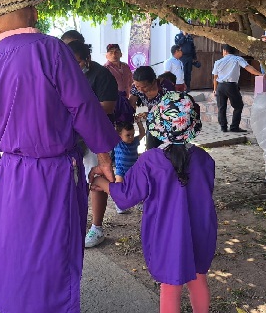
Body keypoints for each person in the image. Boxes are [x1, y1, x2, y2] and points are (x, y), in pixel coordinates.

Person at [0, 0, 120, 313]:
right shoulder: (52, 49)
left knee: (14, 249)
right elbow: (83, 106)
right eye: (31, 8)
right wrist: (105, 157)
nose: (37, 13)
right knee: (54, 251)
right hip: (53, 170)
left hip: (10, 170)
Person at [91, 91, 217, 313]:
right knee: (199, 280)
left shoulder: (151, 161)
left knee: (170, 286)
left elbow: (127, 196)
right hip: (201, 231)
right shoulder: (205, 159)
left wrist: (103, 184)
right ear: (191, 124)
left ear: (159, 124)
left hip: (167, 235)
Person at [67, 40, 120, 248]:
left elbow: (108, 106)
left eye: (77, 62)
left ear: (86, 59)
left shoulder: (101, 75)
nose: (73, 65)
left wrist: (80, 109)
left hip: (95, 137)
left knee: (96, 179)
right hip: (71, 138)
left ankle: (97, 227)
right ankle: (74, 224)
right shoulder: (64, 73)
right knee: (72, 181)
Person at [212, 44, 262, 133]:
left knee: (221, 107)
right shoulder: (237, 59)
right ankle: (234, 127)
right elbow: (248, 68)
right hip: (231, 86)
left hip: (220, 86)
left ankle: (223, 127)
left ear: (225, 51)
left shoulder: (218, 62)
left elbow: (215, 77)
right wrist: (260, 74)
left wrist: (215, 89)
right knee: (238, 106)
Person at [129, 65, 176, 150]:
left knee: (169, 151)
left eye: (144, 87)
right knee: (151, 150)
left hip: (169, 124)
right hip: (153, 123)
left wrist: (152, 114)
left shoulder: (166, 87)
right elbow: (131, 104)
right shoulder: (136, 88)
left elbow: (173, 109)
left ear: (154, 81)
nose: (140, 90)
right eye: (137, 86)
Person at [112, 118, 146, 214]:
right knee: (119, 187)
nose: (131, 137)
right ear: (119, 135)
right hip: (121, 171)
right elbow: (112, 133)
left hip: (134, 170)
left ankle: (139, 203)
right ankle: (119, 205)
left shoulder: (134, 141)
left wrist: (139, 123)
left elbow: (142, 133)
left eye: (132, 134)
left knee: (137, 187)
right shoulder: (118, 143)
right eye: (128, 135)